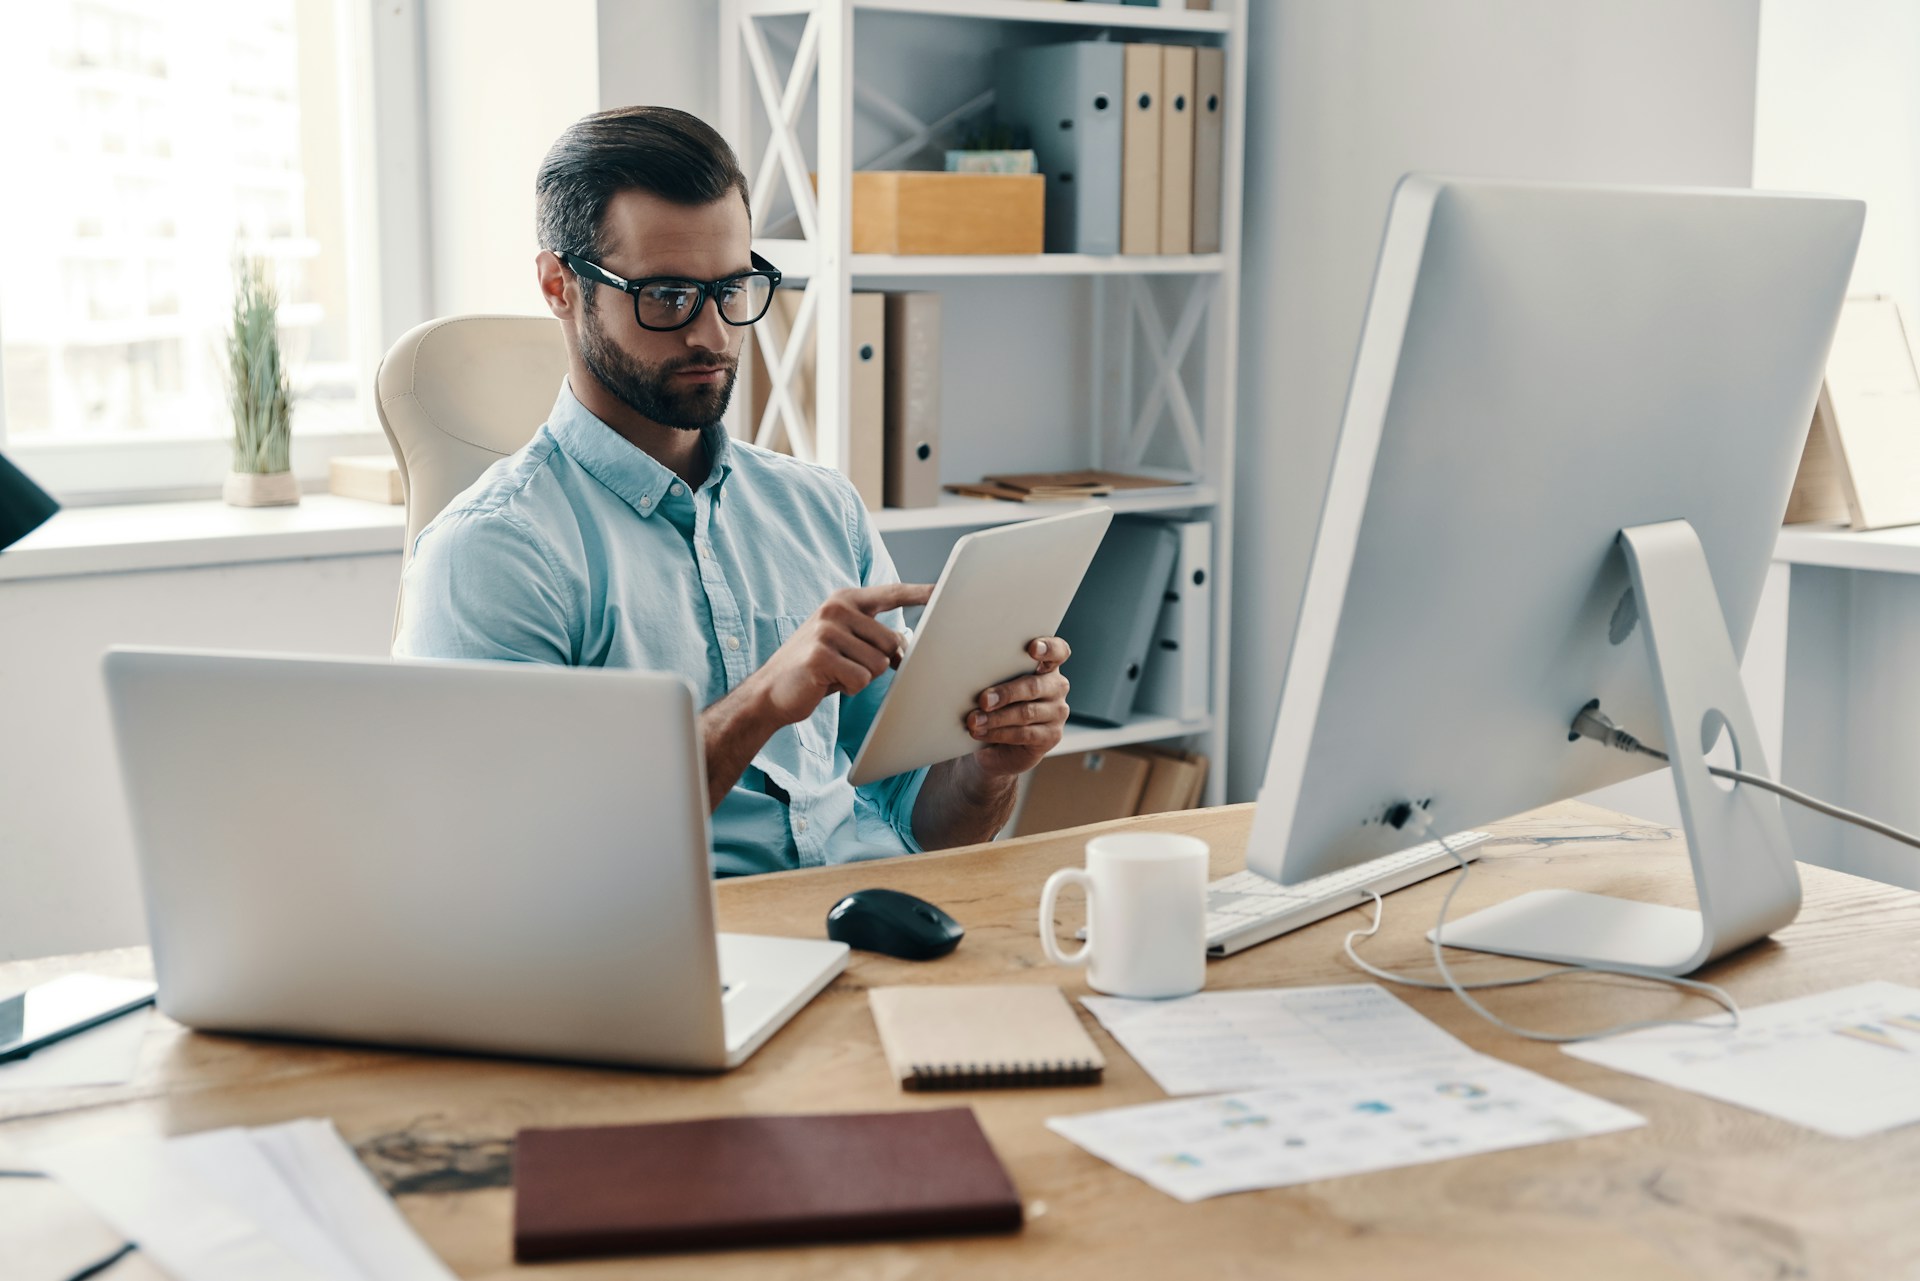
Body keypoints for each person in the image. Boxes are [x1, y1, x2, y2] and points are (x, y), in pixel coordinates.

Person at [394, 106, 1072, 876]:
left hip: (868, 916)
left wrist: (990, 764)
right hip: (682, 962)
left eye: (734, 287)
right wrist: (761, 703)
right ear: (560, 285)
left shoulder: (822, 509)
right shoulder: (491, 553)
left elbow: (923, 824)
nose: (713, 334)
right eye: (669, 296)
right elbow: (527, 864)